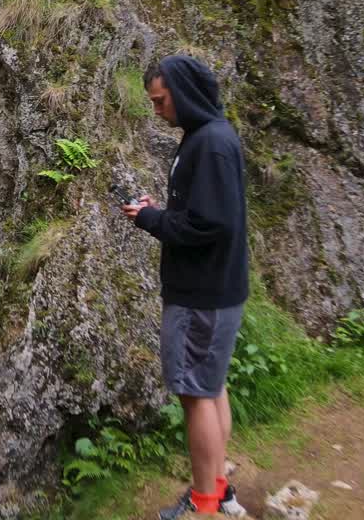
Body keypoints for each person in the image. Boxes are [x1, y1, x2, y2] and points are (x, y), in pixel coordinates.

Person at [122, 55, 249, 519]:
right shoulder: (206, 137)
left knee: (195, 393)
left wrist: (153, 219)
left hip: (201, 296)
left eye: (159, 101)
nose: (157, 110)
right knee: (211, 388)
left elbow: (210, 225)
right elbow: (204, 213)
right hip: (213, 291)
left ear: (182, 91)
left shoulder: (210, 144)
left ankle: (203, 504)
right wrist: (163, 212)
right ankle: (217, 489)